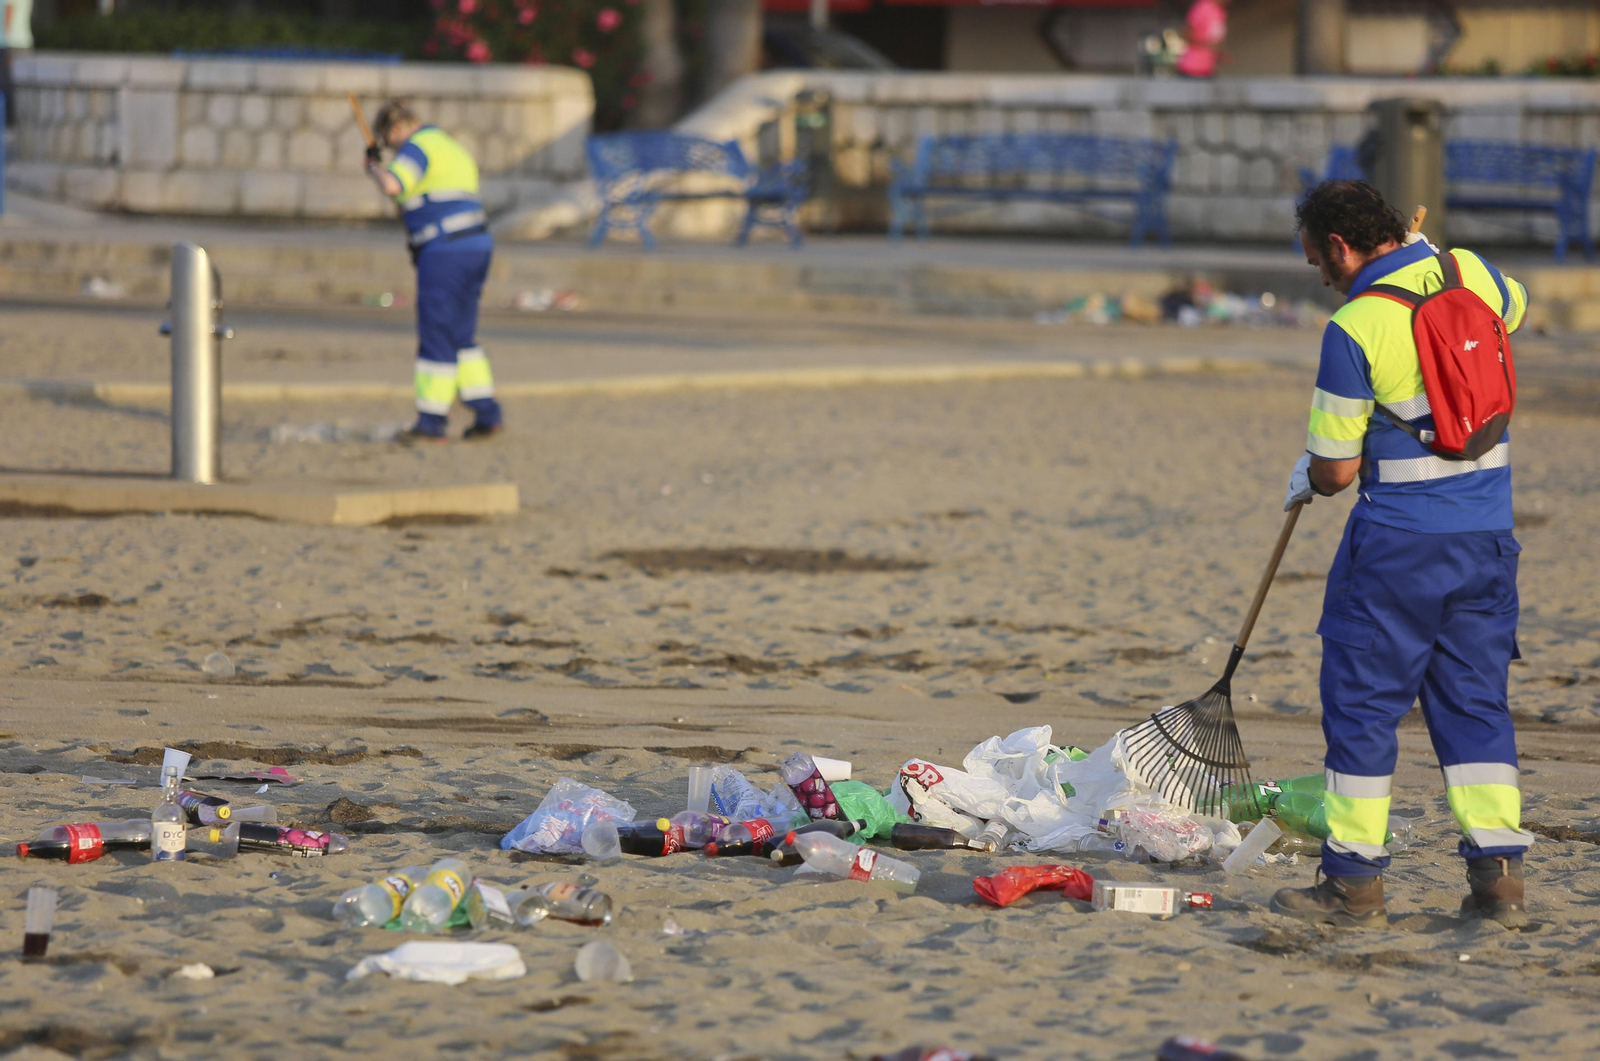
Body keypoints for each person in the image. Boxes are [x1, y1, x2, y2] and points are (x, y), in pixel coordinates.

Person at [1271, 180, 1533, 930]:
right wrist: (1440, 265)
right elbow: (1514, 309)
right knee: (1475, 704)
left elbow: (1336, 471)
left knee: (1361, 707)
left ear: (1343, 248)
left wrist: (1309, 473)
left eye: (1319, 260)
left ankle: (1352, 883)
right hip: (1487, 540)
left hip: (1396, 549)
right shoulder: (1471, 274)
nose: (1321, 276)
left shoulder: (1354, 326)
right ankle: (1500, 875)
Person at [363, 100, 503, 443]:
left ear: (395, 129)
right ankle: (486, 413)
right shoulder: (449, 145)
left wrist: (374, 169)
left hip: (444, 251)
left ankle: (431, 421)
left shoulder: (417, 147)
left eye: (388, 142)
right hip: (476, 245)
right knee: (461, 336)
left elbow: (394, 185)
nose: (392, 150)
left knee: (436, 333)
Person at [1174, 0, 1226, 79]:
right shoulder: (1202, 8)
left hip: (1208, 69)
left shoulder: (1219, 11)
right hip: (1191, 69)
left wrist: (1218, 54)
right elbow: (1184, 34)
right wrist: (1208, 45)